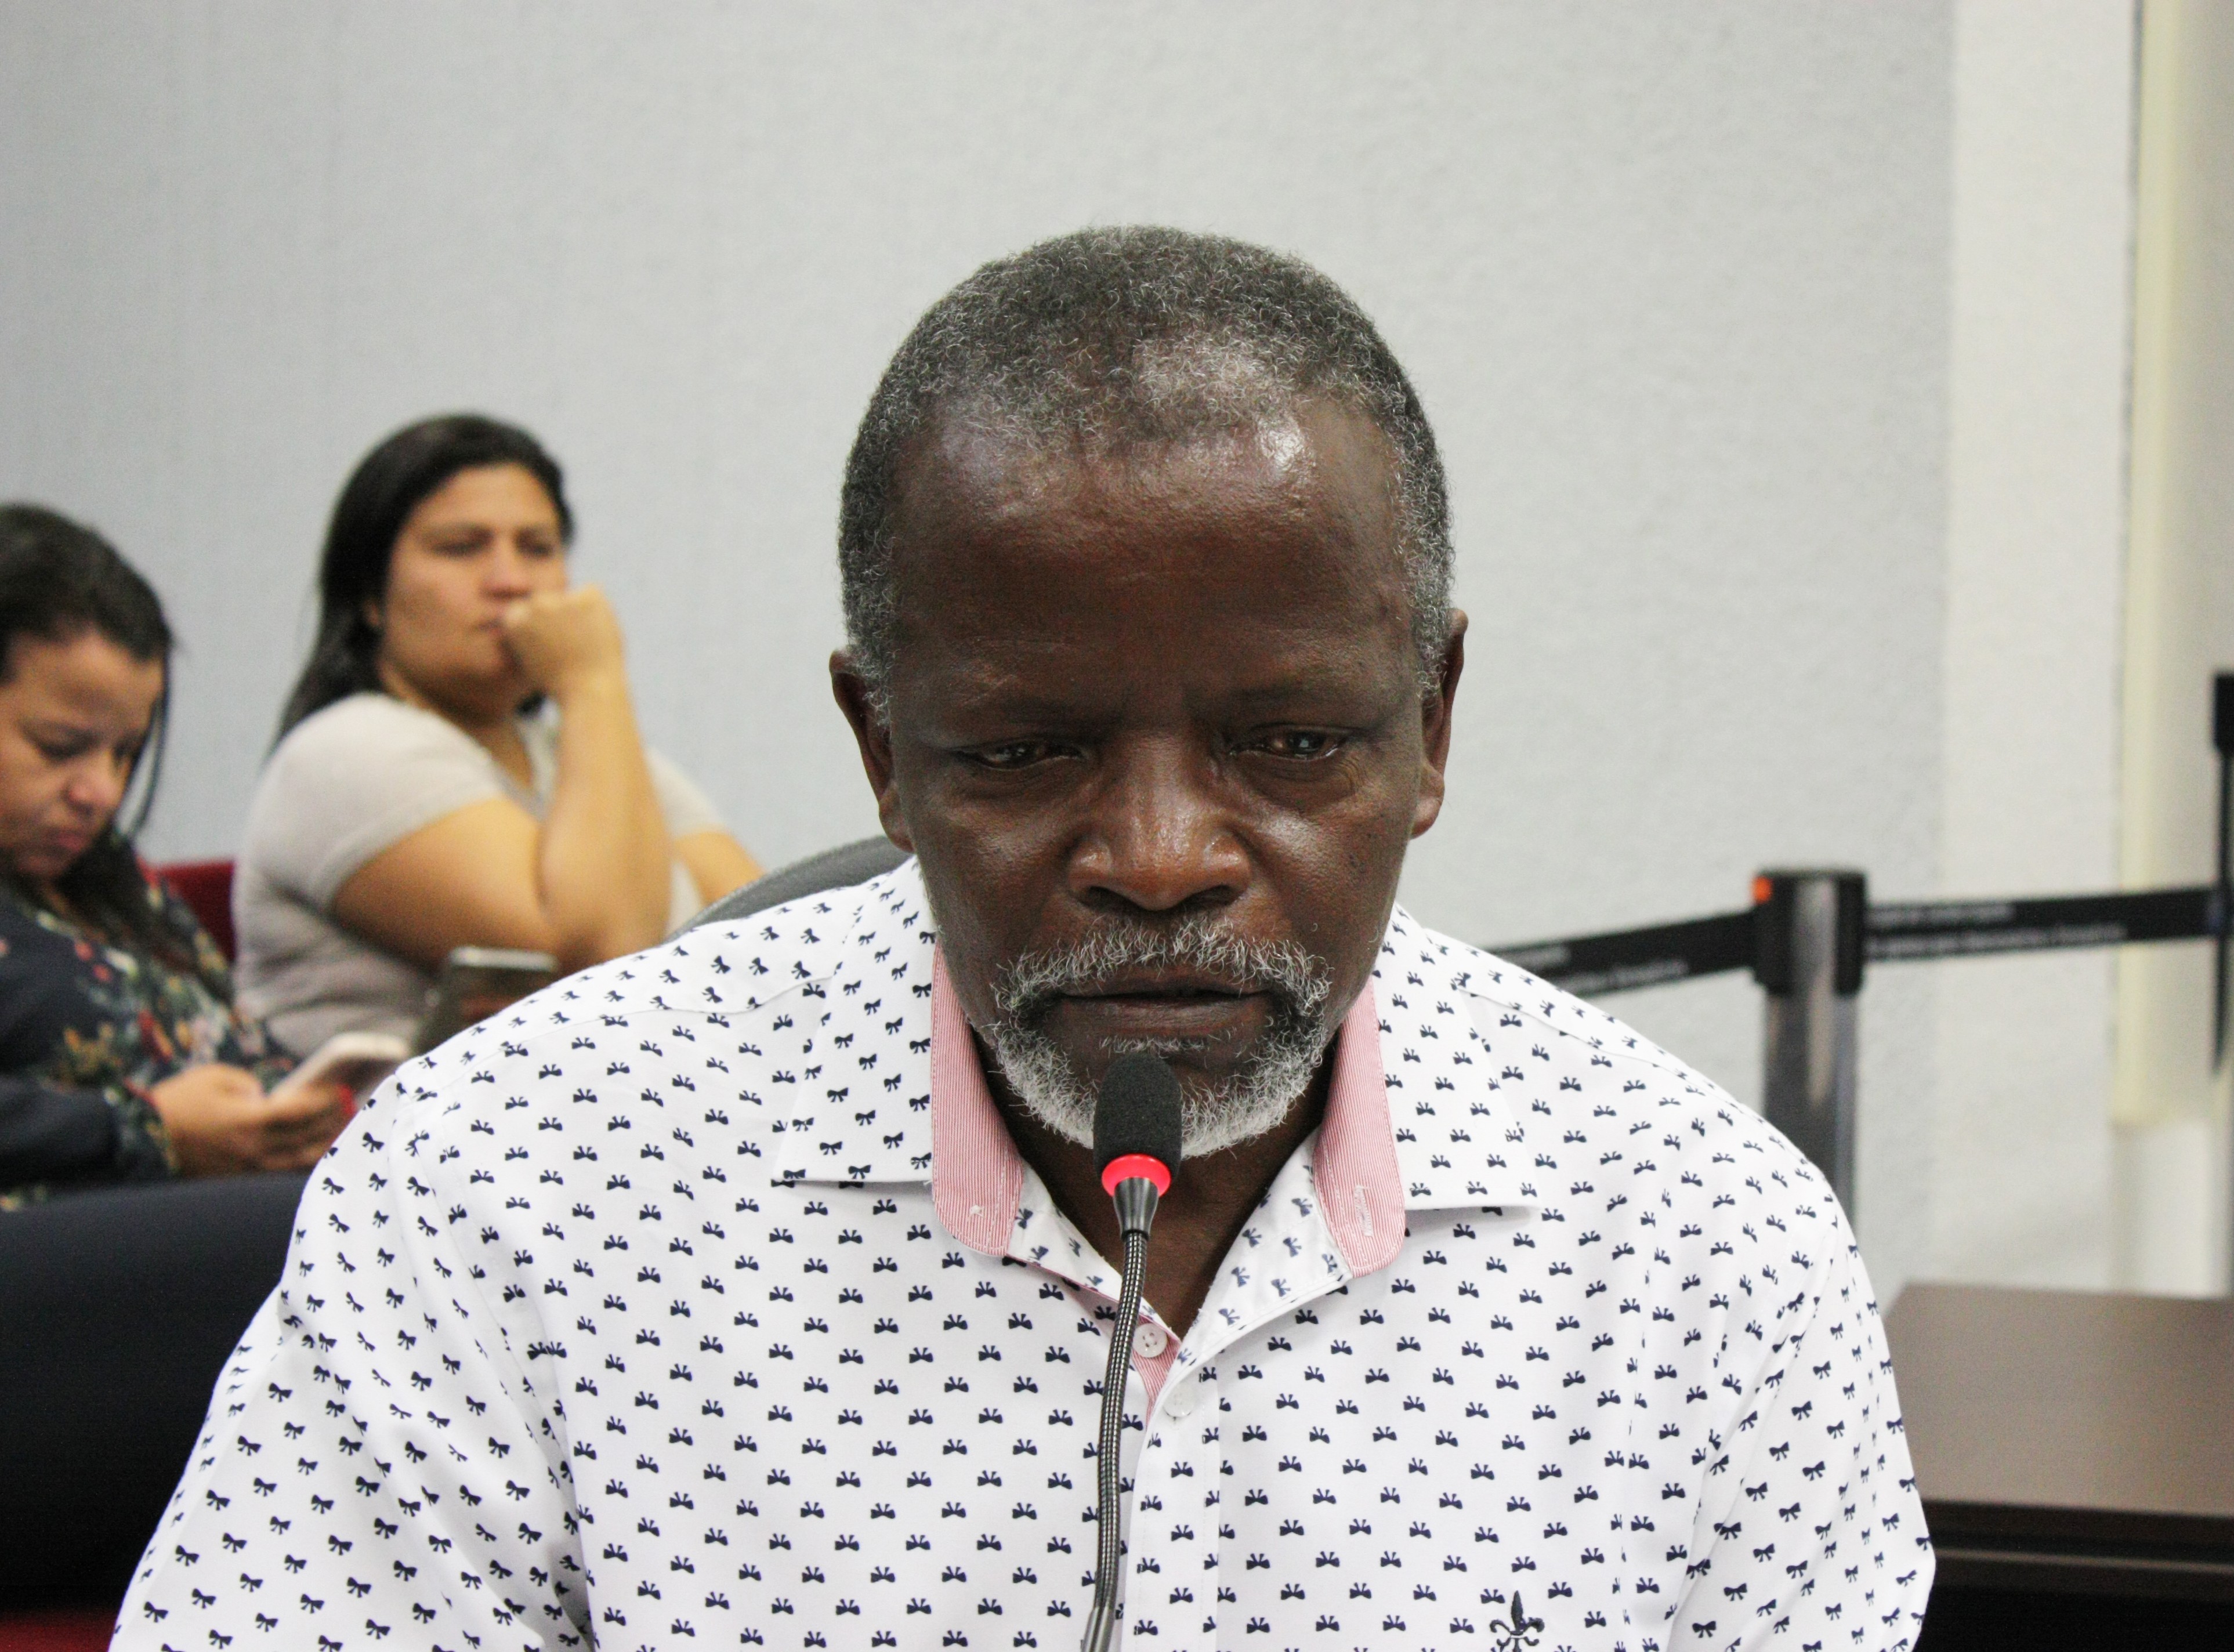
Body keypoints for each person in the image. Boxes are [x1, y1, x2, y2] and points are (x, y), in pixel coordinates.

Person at [125, 231, 1931, 1650]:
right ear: (881, 746)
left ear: (1432, 724)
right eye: (1022, 752)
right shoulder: (506, 1188)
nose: (1157, 859)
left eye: (1291, 743)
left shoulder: (1703, 1247)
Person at [234, 415, 763, 1053]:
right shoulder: (346, 750)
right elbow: (608, 959)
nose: (511, 581)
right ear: (370, 594)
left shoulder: (583, 754)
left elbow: (765, 941)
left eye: (537, 548)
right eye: (462, 547)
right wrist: (591, 680)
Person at [0, 504, 349, 1206]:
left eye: (126, 752)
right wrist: (145, 1129)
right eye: (60, 747)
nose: (101, 792)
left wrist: (299, 1106)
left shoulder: (107, 873)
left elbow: (230, 1035)